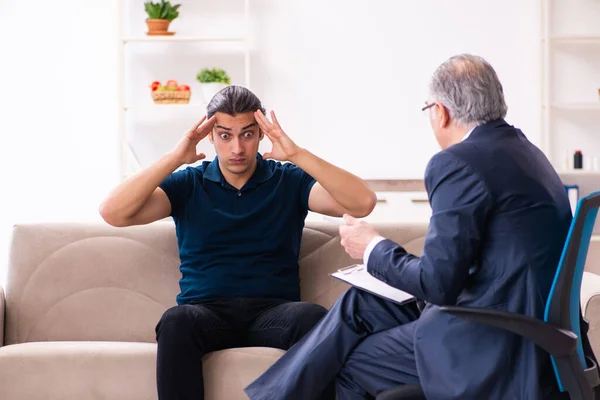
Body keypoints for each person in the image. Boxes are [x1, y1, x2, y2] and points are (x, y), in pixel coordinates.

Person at [244, 54, 594, 399]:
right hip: (527, 328)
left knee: (351, 361)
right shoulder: (527, 152)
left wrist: (371, 248)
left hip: (494, 343)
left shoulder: (457, 163)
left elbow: (437, 284)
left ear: (440, 112)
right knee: (360, 303)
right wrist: (381, 255)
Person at [98, 85, 377, 400]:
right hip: (206, 312)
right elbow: (113, 212)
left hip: (274, 311)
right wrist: (176, 156)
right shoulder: (189, 184)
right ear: (211, 136)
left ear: (261, 134)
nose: (237, 148)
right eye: (225, 135)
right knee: (175, 322)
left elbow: (362, 202)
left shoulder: (288, 180)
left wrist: (297, 154)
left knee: (312, 317)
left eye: (247, 134)